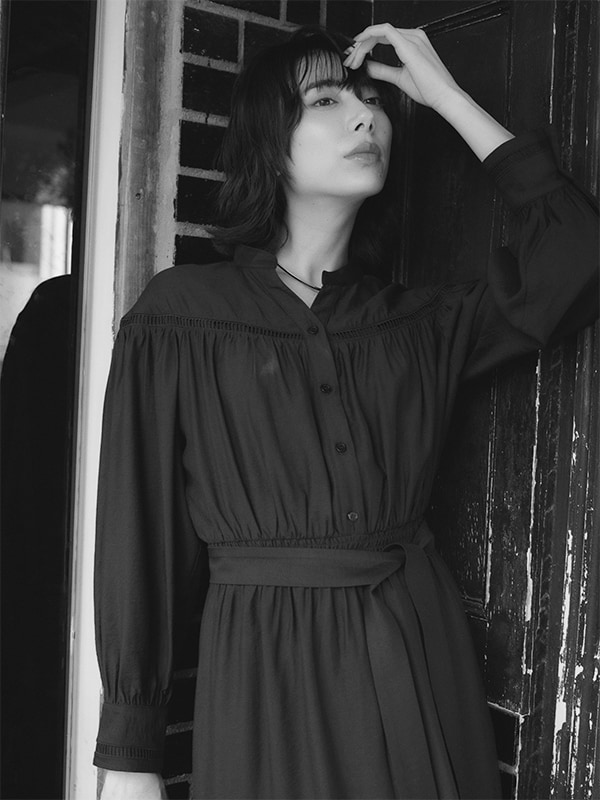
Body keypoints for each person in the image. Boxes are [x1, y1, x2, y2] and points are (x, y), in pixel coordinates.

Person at [94, 24, 599, 800]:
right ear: (268, 142)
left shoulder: (418, 325)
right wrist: (132, 757)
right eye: (326, 100)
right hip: (265, 677)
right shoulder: (181, 317)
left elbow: (577, 257)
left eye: (373, 102)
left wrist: (444, 95)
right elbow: (139, 536)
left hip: (419, 664)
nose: (366, 116)